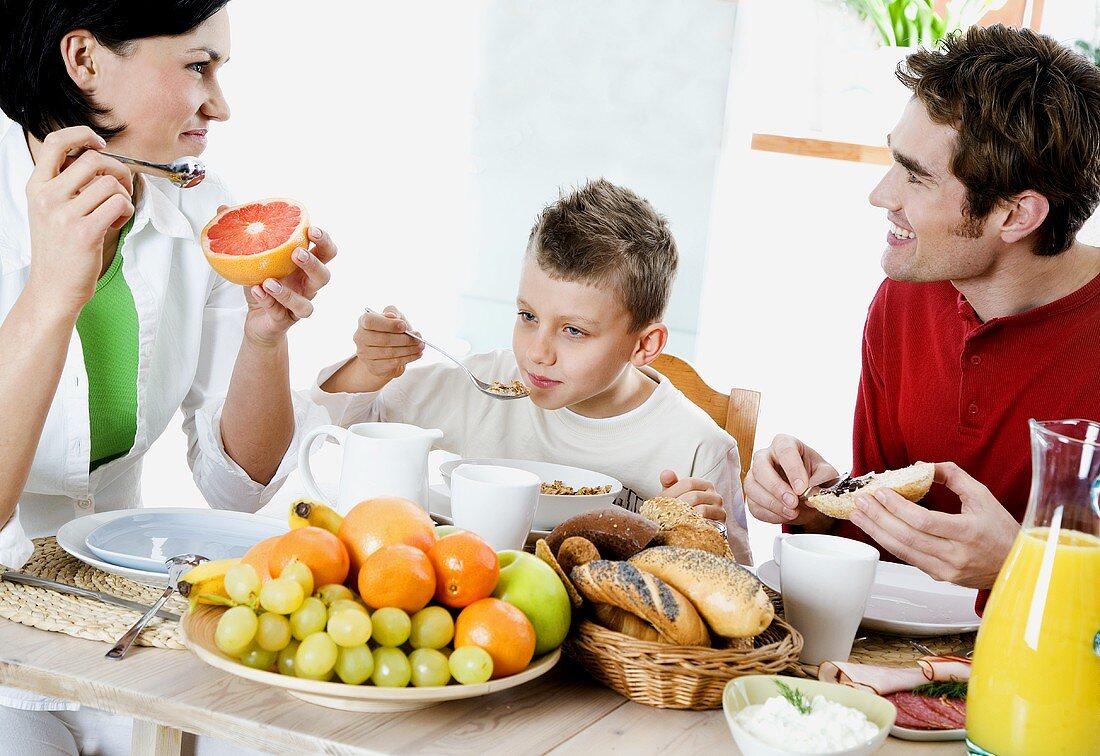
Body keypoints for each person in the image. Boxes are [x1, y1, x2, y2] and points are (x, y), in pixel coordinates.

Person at [0, 1, 334, 752]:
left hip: (127, 609)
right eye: (196, 66)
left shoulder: (201, 208)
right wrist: (54, 293)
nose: (221, 103)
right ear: (84, 59)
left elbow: (235, 487)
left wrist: (264, 339)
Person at [745, 25, 1100, 592]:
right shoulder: (905, 298)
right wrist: (820, 507)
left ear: (1015, 215)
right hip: (892, 662)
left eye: (916, 176)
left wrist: (1025, 567)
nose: (881, 195)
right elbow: (888, 554)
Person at [316, 178, 751, 563]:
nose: (537, 353)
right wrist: (370, 368)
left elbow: (743, 598)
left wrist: (683, 538)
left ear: (644, 345)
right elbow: (337, 427)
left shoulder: (701, 450)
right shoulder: (484, 386)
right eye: (528, 316)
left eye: (574, 331)